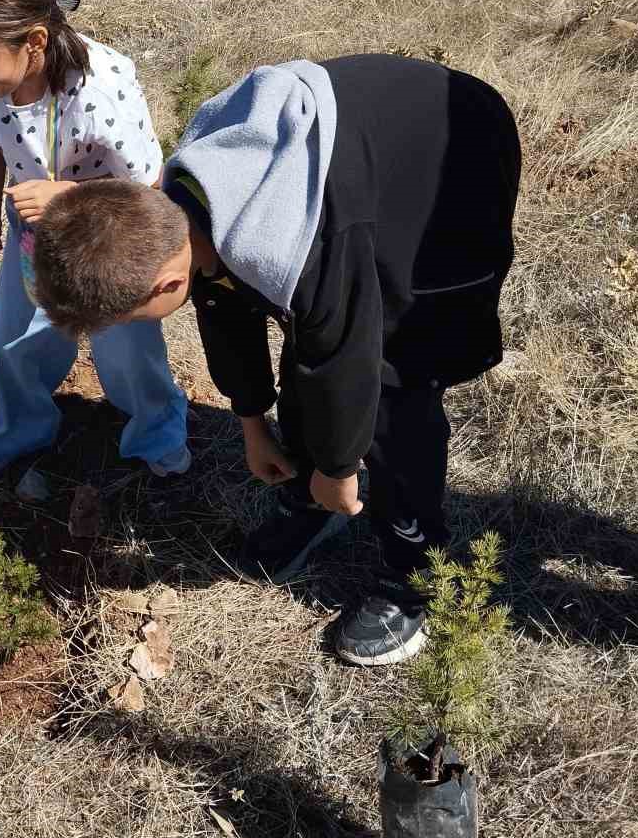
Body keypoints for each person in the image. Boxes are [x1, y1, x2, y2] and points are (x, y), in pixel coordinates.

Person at [30, 54, 521, 667]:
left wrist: (341, 468)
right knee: (310, 333)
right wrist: (252, 420)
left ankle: (413, 574)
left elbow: (342, 350)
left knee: (399, 380)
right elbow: (223, 303)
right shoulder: (181, 215)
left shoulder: (301, 240)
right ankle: (311, 502)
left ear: (163, 286)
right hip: (362, 151)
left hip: (453, 154)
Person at [0, 0, 191, 478]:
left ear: (35, 42)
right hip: (32, 229)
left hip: (113, 238)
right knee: (12, 338)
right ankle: (22, 424)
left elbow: (148, 195)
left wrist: (64, 196)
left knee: (127, 346)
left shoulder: (103, 90)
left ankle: (157, 429)